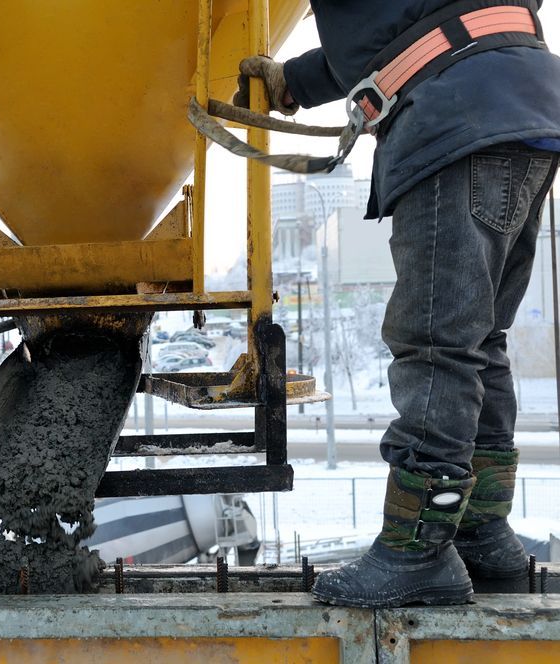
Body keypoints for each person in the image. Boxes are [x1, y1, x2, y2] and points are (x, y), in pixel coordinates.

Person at [236, 0, 560, 607]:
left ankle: (417, 549)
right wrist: (297, 82)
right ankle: (480, 531)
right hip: (519, 100)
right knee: (478, 337)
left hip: (454, 113)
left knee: (436, 340)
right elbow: (403, 19)